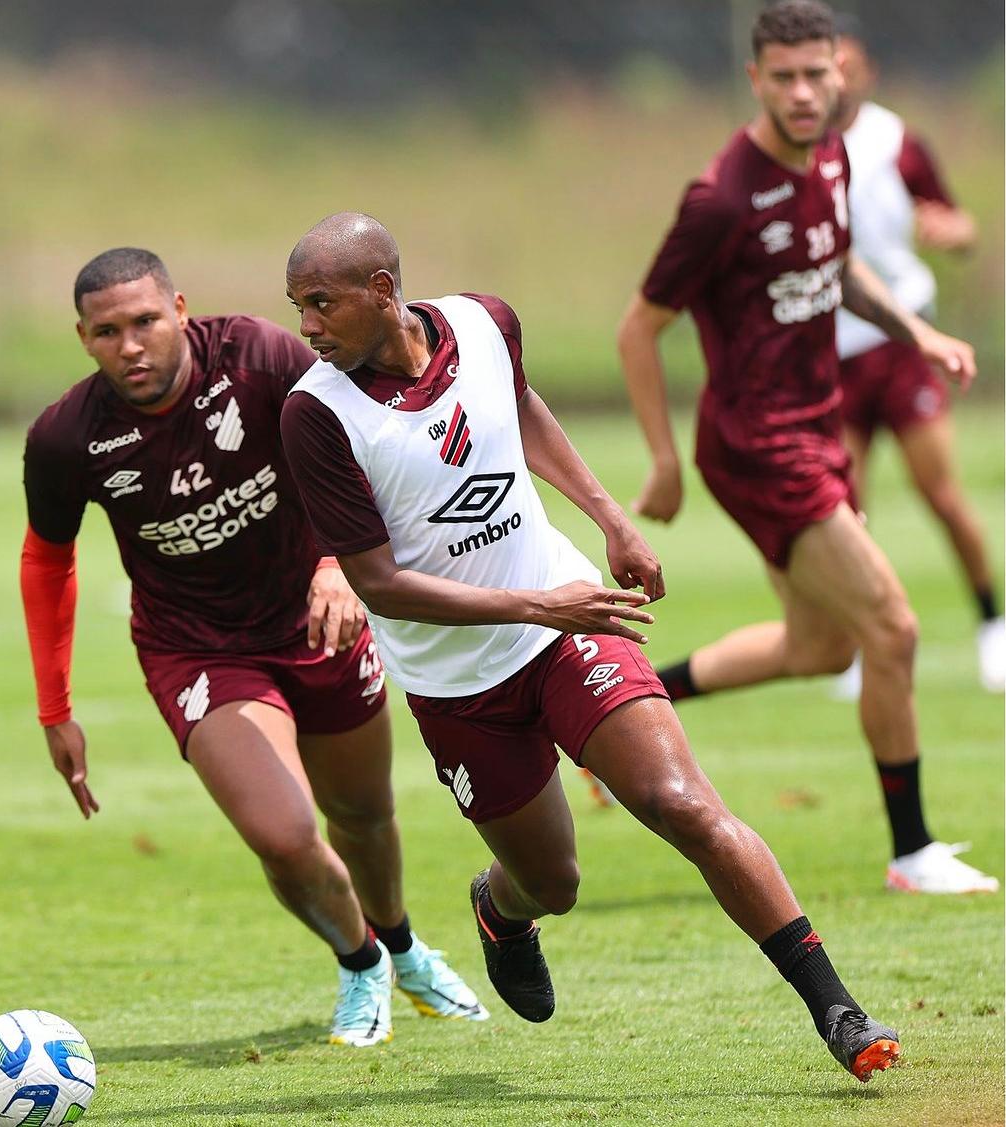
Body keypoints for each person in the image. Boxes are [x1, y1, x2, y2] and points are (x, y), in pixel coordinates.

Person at [281, 209, 901, 1083]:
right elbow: (378, 583)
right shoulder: (315, 414)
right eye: (296, 305)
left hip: (569, 633)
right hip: (458, 684)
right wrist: (540, 603)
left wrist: (609, 516)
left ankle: (837, 1008)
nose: (305, 326)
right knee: (553, 882)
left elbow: (521, 406)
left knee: (683, 801)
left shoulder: (484, 323)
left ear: (383, 292)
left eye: (320, 303)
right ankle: (501, 908)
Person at [19, 247, 487, 1049]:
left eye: (143, 322)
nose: (130, 344)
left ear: (179, 311)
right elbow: (47, 560)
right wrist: (55, 707)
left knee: (364, 813)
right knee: (283, 833)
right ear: (83, 337)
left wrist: (340, 563)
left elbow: (352, 441)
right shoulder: (68, 438)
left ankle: (406, 949)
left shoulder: (258, 356)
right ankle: (361, 959)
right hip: (196, 649)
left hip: (318, 618)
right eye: (107, 331)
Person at [614, 0, 997, 894]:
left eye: (814, 74)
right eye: (782, 77)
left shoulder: (831, 152)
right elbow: (639, 329)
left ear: (842, 73)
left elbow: (838, 262)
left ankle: (622, 711)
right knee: (892, 628)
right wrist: (663, 461)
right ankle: (912, 852)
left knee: (819, 647)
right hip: (759, 447)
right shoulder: (720, 199)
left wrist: (914, 331)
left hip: (814, 427)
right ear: (755, 80)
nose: (801, 91)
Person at [830, 18, 1004, 698]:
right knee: (844, 506)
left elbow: (959, 224)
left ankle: (993, 624)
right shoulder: (792, 151)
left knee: (942, 493)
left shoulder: (895, 143)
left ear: (866, 71)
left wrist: (952, 231)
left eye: (844, 66)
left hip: (901, 341)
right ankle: (852, 644)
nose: (831, 80)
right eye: (821, 67)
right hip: (832, 350)